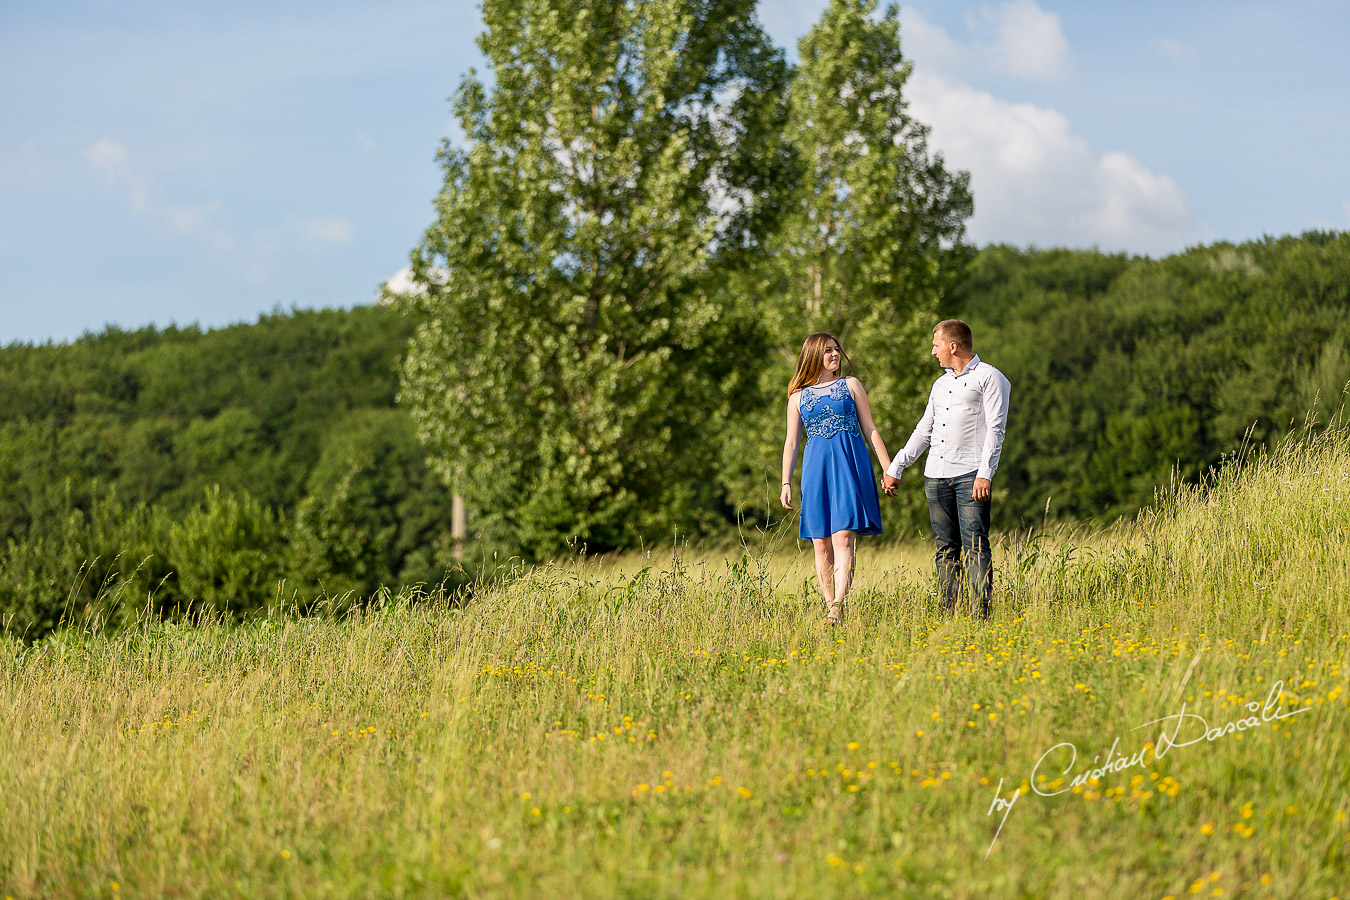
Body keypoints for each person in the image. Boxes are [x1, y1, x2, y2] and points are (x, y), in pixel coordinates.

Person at [882, 320, 1011, 620]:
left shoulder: (990, 378)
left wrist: (985, 473)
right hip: (936, 476)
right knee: (945, 549)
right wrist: (896, 466)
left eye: (936, 345)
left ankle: (981, 614)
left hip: (970, 476)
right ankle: (947, 610)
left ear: (953, 346)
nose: (932, 352)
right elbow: (924, 430)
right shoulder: (940, 384)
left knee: (976, 545)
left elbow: (996, 430)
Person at [780, 333, 891, 624]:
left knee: (843, 537)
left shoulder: (851, 385)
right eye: (828, 350)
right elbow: (791, 442)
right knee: (821, 542)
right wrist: (786, 482)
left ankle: (837, 606)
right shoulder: (797, 396)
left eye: (836, 349)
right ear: (814, 355)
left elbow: (870, 429)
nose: (835, 355)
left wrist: (888, 466)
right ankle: (829, 604)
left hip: (848, 465)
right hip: (816, 470)